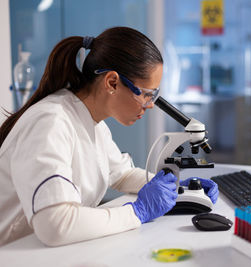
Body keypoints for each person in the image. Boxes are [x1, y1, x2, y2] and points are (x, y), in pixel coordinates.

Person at [0, 27, 218, 247]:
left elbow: (119, 174)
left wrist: (178, 189)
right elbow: (55, 224)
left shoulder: (92, 122)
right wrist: (137, 212)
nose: (150, 105)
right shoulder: (51, 121)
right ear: (112, 82)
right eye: (146, 94)